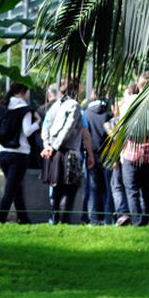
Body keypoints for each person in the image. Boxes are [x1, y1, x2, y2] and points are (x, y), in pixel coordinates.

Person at [41, 77, 92, 224]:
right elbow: (67, 129)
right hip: (69, 153)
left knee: (56, 188)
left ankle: (54, 220)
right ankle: (63, 222)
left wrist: (48, 146)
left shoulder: (56, 104)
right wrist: (54, 146)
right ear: (75, 88)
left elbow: (46, 126)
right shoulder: (74, 105)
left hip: (54, 153)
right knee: (69, 189)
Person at [120, 72, 149, 226]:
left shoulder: (130, 101)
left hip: (132, 151)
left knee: (132, 190)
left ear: (139, 84)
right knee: (147, 192)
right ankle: (143, 222)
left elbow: (122, 126)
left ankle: (137, 222)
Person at [0, 82, 40, 224]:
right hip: (19, 154)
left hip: (2, 153)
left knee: (15, 187)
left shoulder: (3, 106)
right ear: (23, 92)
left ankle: (24, 219)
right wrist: (38, 122)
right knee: (11, 189)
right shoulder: (24, 109)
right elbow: (27, 131)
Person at [110, 85, 138, 225]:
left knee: (118, 185)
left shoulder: (123, 106)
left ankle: (123, 213)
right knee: (131, 188)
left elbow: (118, 135)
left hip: (124, 153)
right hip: (133, 154)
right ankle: (133, 217)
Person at [83, 89, 112, 224]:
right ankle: (106, 218)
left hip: (92, 154)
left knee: (93, 187)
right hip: (106, 155)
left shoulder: (86, 114)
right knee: (107, 188)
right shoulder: (107, 115)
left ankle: (93, 218)